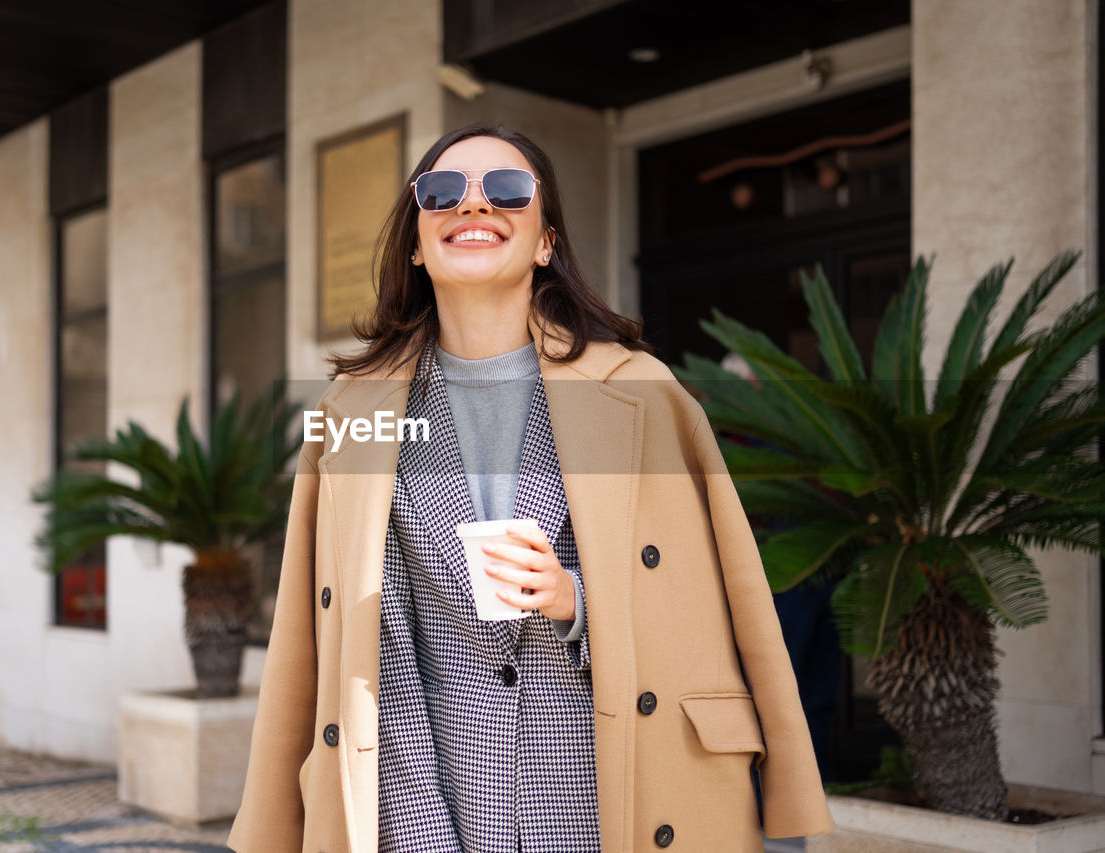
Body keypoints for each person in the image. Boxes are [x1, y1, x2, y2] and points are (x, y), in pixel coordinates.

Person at [227, 122, 833, 852]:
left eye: (507, 190)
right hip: (429, 797)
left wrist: (575, 599)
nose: (474, 206)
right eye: (443, 192)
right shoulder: (351, 413)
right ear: (417, 244)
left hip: (613, 795)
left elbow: (709, 612)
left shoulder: (641, 395)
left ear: (546, 240)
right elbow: (353, 640)